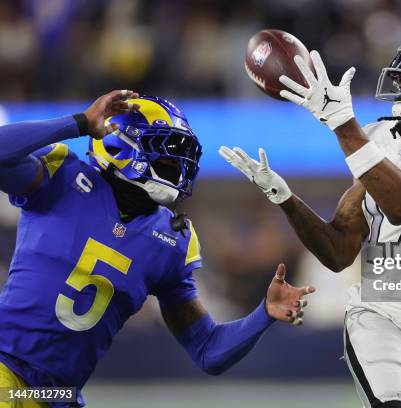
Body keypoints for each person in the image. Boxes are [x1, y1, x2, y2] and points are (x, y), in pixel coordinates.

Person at [221, 23, 401, 408]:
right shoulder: (384, 137)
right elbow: (339, 250)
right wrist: (284, 197)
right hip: (379, 315)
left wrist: (343, 125)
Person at [0, 90, 315, 408]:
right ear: (122, 145)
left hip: (57, 395)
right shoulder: (63, 179)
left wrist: (264, 314)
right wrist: (79, 123)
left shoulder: (171, 241)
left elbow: (207, 350)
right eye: (164, 153)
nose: (176, 165)